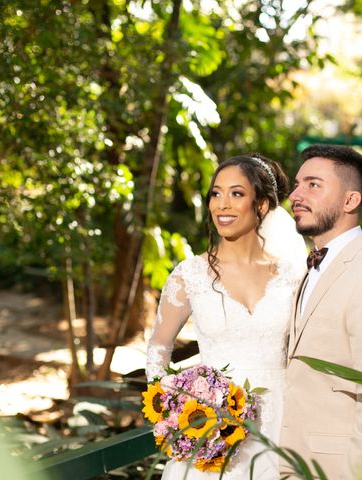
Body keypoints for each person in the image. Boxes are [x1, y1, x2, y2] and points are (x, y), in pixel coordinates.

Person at [146, 154, 307, 479]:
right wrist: (175, 408)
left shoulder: (293, 276)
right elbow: (158, 347)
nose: (222, 204)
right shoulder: (189, 274)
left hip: (281, 428)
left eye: (236, 194)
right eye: (216, 194)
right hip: (208, 427)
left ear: (261, 205)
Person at [280, 144, 362, 480]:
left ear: (350, 201)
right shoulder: (309, 269)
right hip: (292, 462)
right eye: (298, 184)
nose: (296, 194)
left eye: (313, 185)